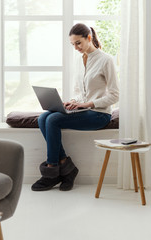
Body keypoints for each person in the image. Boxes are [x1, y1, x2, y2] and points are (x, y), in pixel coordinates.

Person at [31, 23, 119, 192]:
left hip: (99, 114)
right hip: (83, 110)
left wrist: (89, 103)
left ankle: (52, 170)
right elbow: (80, 92)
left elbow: (115, 95)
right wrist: (72, 102)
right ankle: (66, 167)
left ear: (89, 38)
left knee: (54, 120)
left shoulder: (105, 60)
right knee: (43, 117)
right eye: (72, 44)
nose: (76, 47)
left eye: (78, 43)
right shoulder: (79, 61)